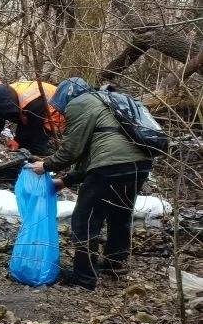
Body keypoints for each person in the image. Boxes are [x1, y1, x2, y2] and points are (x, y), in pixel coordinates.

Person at [29, 78, 152, 289]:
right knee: (119, 213)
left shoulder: (81, 103)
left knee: (84, 220)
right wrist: (65, 181)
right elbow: (92, 156)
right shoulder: (107, 102)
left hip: (110, 167)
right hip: (140, 165)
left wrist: (46, 165)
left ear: (67, 97)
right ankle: (115, 264)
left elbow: (72, 151)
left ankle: (84, 277)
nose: (64, 112)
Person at [0, 80, 63, 156]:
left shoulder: (32, 101)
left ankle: (40, 161)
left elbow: (34, 126)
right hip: (31, 110)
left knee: (37, 145)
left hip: (55, 112)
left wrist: (17, 140)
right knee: (23, 143)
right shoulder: (0, 97)